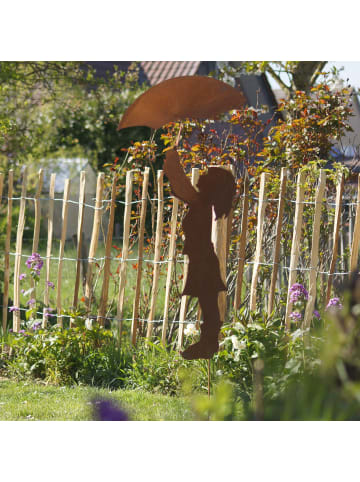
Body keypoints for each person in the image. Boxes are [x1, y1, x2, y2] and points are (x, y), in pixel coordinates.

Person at [164, 149, 236, 360]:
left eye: (205, 176)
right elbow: (178, 189)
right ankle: (208, 342)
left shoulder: (200, 203)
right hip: (201, 260)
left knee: (209, 304)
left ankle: (209, 343)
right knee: (208, 304)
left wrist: (171, 156)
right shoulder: (200, 203)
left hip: (203, 261)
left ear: (210, 187)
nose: (201, 177)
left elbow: (180, 184)